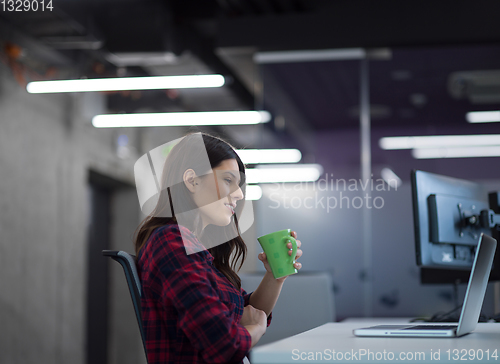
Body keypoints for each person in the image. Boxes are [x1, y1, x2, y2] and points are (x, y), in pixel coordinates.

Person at [134, 132, 303, 363]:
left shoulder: (196, 247)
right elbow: (225, 344)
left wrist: (275, 275)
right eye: (227, 180)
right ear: (192, 180)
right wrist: (256, 328)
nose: (240, 193)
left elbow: (245, 309)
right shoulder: (172, 242)